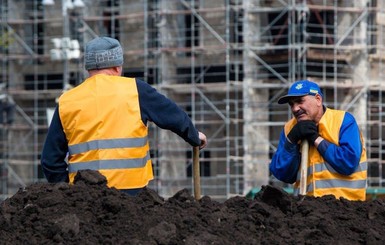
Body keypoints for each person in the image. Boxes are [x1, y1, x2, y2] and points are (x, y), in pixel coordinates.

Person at [41, 36, 207, 196]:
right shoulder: (135, 90)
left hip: (84, 197)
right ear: (117, 67)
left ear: (88, 68)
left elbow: (50, 160)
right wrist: (194, 136)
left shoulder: (67, 100)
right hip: (131, 196)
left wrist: (68, 192)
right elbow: (173, 116)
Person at [269, 80, 367, 201]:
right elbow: (282, 174)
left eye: (300, 101)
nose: (295, 109)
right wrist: (291, 141)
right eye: (291, 104)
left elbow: (348, 163)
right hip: (307, 211)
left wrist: (316, 139)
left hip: (346, 209)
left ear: (318, 99)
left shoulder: (343, 121)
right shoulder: (289, 129)